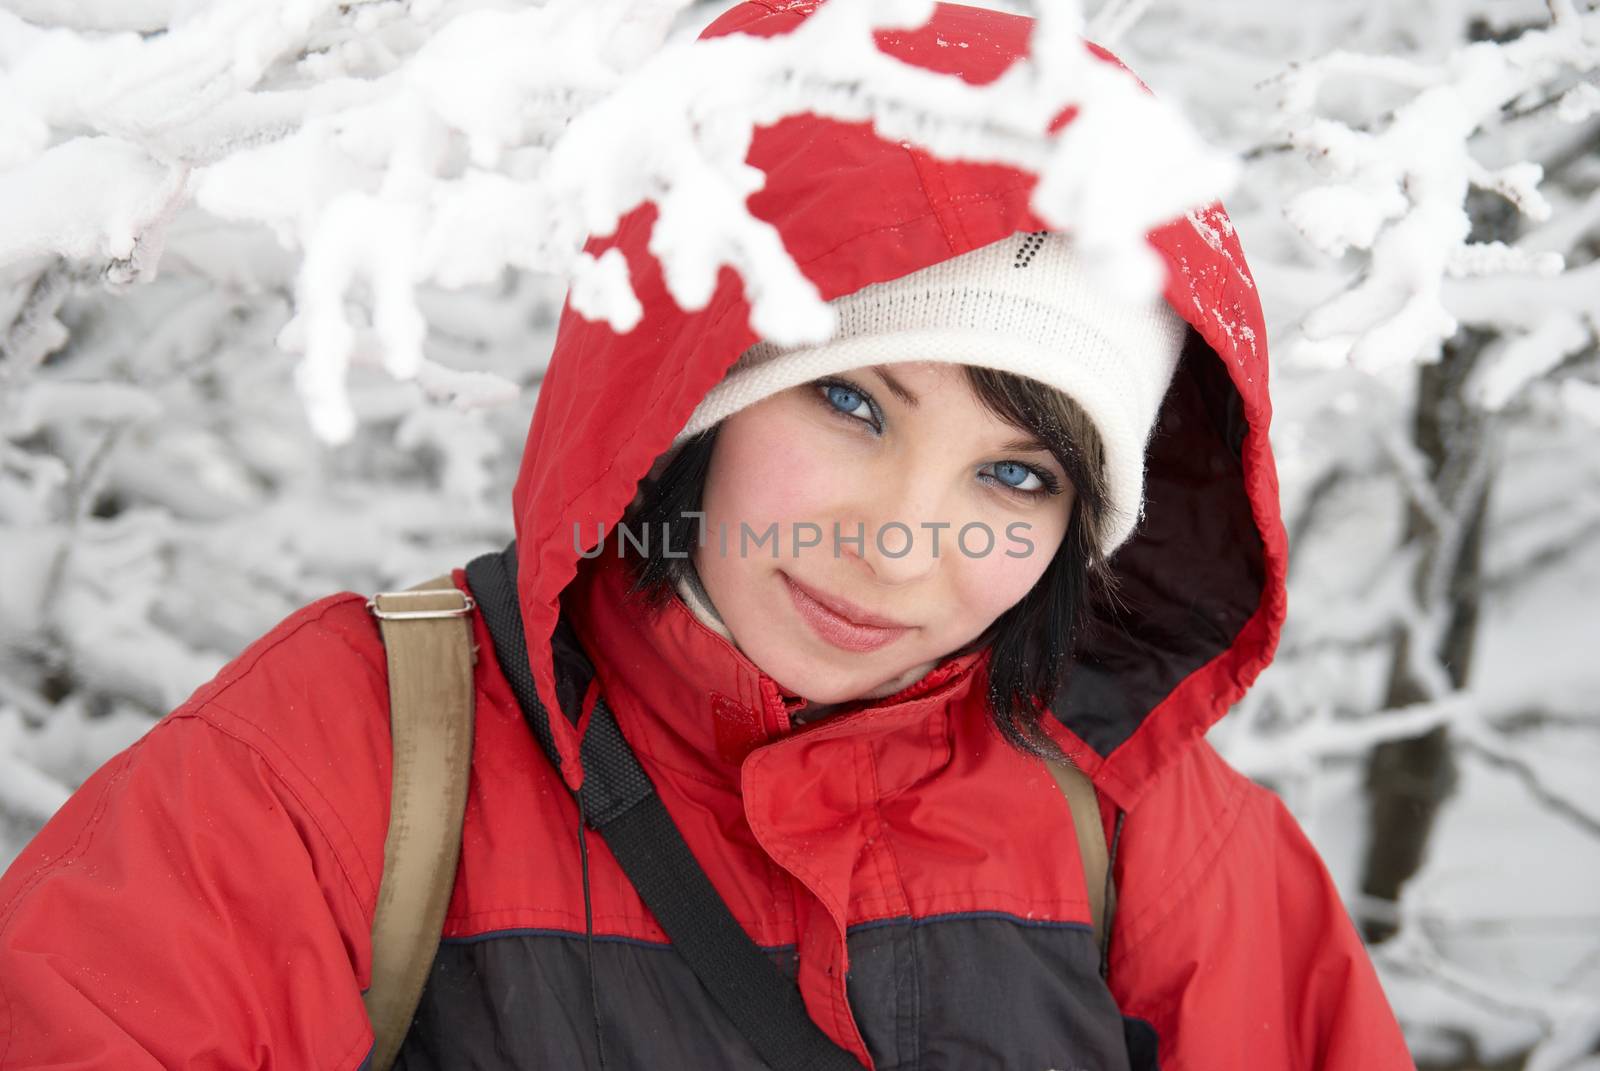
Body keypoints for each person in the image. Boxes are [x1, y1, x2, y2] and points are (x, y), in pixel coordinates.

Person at [0, 2, 1414, 1068]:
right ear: (695, 390)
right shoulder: (349, 760)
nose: (904, 547)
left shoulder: (1144, 839)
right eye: (854, 402)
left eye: (1019, 478)